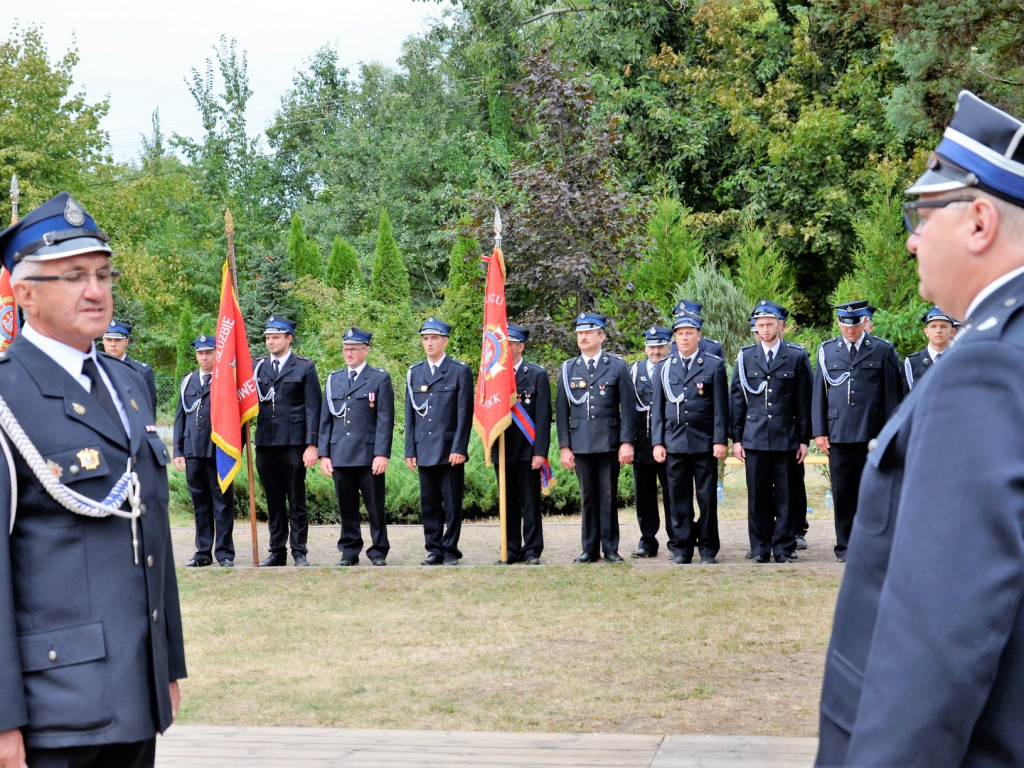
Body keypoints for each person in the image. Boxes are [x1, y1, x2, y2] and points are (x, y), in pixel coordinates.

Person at [816, 90, 1024, 766]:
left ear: (980, 222)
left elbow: (938, 645)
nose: (910, 239)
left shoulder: (986, 368)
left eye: (922, 213)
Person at [0, 192, 185, 768]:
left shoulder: (126, 385)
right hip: (52, 710)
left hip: (133, 691)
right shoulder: (8, 397)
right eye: (73, 276)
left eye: (103, 273)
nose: (95, 290)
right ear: (25, 294)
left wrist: (168, 665)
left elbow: (150, 533)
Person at [811, 300, 902, 562]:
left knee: (872, 492)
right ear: (839, 323)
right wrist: (820, 431)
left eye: (855, 324)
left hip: (872, 435)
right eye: (844, 324)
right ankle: (845, 546)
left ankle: (871, 546)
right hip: (838, 433)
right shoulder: (827, 351)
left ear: (864, 322)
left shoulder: (882, 350)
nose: (849, 330)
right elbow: (820, 394)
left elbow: (891, 398)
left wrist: (890, 434)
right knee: (843, 493)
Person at [730, 299, 811, 564]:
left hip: (786, 437)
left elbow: (803, 401)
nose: (764, 330)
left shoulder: (797, 356)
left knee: (787, 496)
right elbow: (738, 401)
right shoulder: (745, 357)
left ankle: (784, 548)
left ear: (780, 326)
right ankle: (760, 548)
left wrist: (803, 439)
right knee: (757, 498)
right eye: (760, 325)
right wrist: (737, 439)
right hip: (754, 438)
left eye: (769, 324)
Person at [555, 312, 635, 564]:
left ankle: (610, 548)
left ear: (601, 336)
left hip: (609, 441)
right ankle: (589, 549)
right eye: (579, 333)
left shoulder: (617, 366)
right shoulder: (569, 368)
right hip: (580, 443)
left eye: (588, 332)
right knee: (587, 497)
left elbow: (628, 408)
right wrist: (564, 446)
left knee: (608, 496)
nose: (583, 337)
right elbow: (561, 411)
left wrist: (626, 442)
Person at [652, 310, 728, 564]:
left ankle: (707, 548)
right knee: (678, 499)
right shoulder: (664, 367)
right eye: (680, 334)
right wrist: (657, 442)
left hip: (704, 443)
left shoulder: (713, 364)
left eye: (689, 333)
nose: (684, 338)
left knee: (707, 499)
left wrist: (720, 440)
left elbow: (720, 407)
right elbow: (658, 409)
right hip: (674, 443)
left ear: (699, 336)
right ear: (674, 339)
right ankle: (682, 548)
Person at [317, 327, 394, 567]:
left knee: (375, 507)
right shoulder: (333, 379)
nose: (348, 354)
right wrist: (324, 454)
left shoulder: (379, 378)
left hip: (368, 454)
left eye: (354, 349)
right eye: (345, 349)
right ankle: (349, 551)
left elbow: (385, 419)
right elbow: (325, 419)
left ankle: (378, 550)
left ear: (366, 351)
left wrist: (382, 453)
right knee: (346, 506)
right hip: (340, 453)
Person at [253, 315, 322, 567]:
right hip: (266, 443)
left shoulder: (304, 367)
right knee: (273, 500)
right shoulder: (257, 366)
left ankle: (299, 551)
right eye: (268, 337)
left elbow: (313, 408)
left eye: (276, 337)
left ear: (288, 338)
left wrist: (312, 444)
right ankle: (277, 551)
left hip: (294, 443)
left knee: (296, 498)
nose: (270, 342)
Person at [405, 317, 474, 566]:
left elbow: (465, 414)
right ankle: (434, 548)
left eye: (434, 338)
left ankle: (450, 549)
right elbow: (410, 415)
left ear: (445, 341)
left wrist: (459, 448)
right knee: (429, 503)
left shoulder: (459, 371)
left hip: (449, 449)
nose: (429, 343)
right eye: (425, 339)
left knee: (452, 503)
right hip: (424, 448)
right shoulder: (415, 372)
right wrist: (410, 450)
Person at [173, 334, 235, 568]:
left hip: (219, 451)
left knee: (222, 503)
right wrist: (178, 450)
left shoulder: (225, 381)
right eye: (200, 353)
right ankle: (202, 552)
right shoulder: (187, 381)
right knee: (200, 503)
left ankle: (225, 553)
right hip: (193, 450)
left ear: (217, 354)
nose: (204, 357)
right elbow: (181, 417)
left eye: (209, 352)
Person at [491, 322, 550, 564]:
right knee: (507, 503)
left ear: (520, 346)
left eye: (510, 343)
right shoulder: (493, 374)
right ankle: (511, 549)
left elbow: (544, 417)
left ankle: (532, 549)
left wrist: (540, 452)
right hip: (502, 450)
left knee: (530, 504)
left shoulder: (536, 374)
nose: (505, 347)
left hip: (527, 450)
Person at [628, 325, 673, 559]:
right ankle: (647, 541)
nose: (656, 352)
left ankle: (677, 539)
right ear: (645, 348)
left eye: (660, 347)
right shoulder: (633, 372)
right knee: (644, 496)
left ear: (669, 347)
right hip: (642, 444)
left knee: (673, 495)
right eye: (651, 347)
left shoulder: (673, 369)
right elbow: (625, 409)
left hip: (670, 444)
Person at [102, 318, 158, 411]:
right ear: (103, 341)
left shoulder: (142, 372)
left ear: (126, 342)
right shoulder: (94, 369)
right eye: (108, 340)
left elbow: (149, 411)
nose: (112, 344)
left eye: (117, 340)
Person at [902, 306, 956, 394]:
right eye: (933, 326)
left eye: (943, 326)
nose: (938, 330)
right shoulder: (911, 364)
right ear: (926, 332)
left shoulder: (961, 360)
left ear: (952, 332)